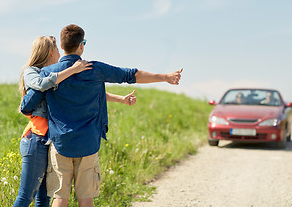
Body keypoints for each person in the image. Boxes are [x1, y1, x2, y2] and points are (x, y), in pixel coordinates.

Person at [20, 24, 183, 207]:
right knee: (86, 198)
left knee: (60, 198)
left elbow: (28, 105)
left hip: (60, 143)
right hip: (88, 143)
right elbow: (130, 75)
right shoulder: (95, 69)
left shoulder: (49, 73)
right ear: (81, 45)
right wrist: (165, 76)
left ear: (63, 47)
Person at [14, 36, 137, 207]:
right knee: (27, 195)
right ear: (50, 52)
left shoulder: (57, 73)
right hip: (36, 137)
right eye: (57, 49)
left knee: (44, 197)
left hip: (50, 138)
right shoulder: (37, 72)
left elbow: (90, 93)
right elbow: (42, 84)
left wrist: (121, 99)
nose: (60, 52)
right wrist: (72, 70)